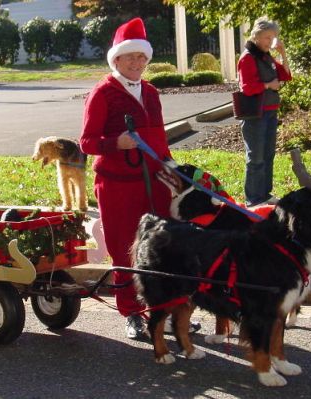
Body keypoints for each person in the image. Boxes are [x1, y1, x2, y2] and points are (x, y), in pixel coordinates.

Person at [80, 17, 197, 340]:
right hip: (117, 184)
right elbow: (87, 142)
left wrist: (172, 167)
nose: (137, 63)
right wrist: (115, 143)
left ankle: (170, 310)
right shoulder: (103, 92)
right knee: (125, 249)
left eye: (142, 57)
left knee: (164, 246)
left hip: (154, 180)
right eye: (130, 57)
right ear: (116, 59)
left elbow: (159, 139)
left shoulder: (151, 92)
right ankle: (132, 312)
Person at [237, 17, 292, 207]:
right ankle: (253, 199)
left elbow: (285, 75)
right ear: (257, 36)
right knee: (256, 158)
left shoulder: (265, 56)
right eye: (268, 37)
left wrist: (282, 52)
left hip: (269, 111)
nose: (271, 41)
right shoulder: (248, 58)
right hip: (255, 115)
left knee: (268, 155)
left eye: (273, 37)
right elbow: (247, 87)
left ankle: (265, 194)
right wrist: (269, 84)